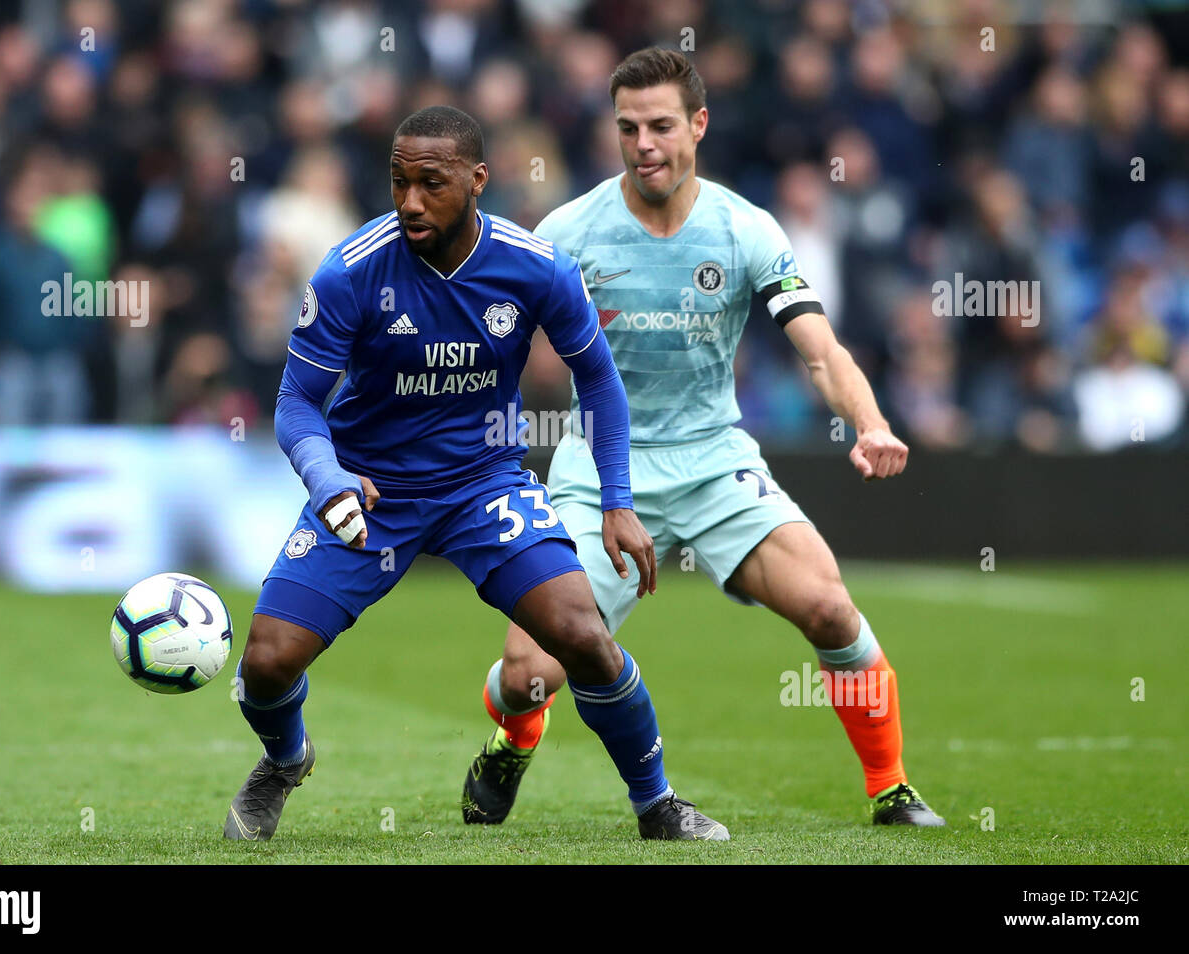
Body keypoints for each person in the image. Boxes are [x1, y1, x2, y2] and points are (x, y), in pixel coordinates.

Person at [461, 49, 945, 828]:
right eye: (628, 128)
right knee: (527, 673)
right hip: (600, 470)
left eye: (660, 126)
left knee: (828, 608)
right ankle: (514, 737)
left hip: (715, 459)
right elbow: (495, 351)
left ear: (698, 125)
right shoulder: (569, 231)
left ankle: (890, 787)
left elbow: (819, 350)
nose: (644, 143)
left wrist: (872, 422)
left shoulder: (744, 228)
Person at [225, 105, 728, 842]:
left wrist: (617, 501)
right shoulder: (350, 271)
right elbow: (298, 403)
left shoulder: (537, 267)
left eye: (431, 183)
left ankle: (657, 804)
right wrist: (327, 478)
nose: (409, 202)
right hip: (368, 490)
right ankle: (284, 759)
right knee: (267, 662)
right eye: (398, 182)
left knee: (583, 636)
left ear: (477, 180)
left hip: (481, 485)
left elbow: (600, 383)